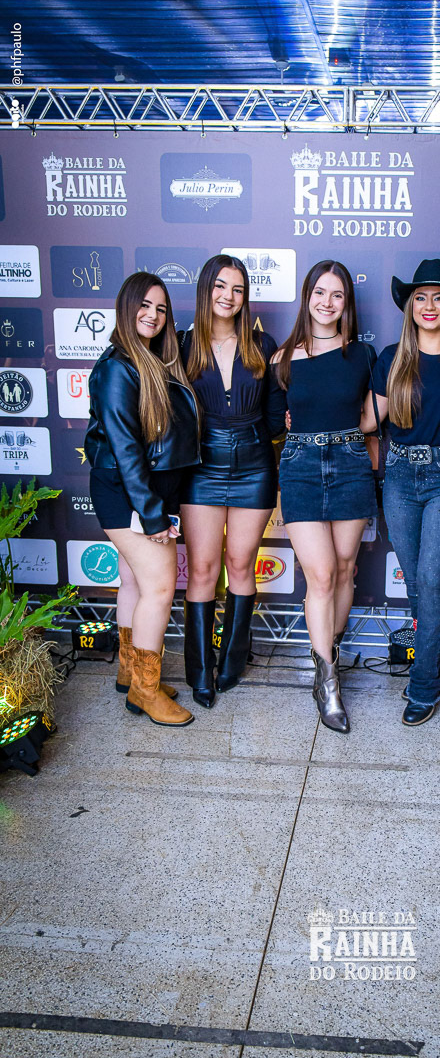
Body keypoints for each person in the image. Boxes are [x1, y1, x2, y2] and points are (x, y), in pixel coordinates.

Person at [362, 259, 440, 726]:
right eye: (421, 298)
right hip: (399, 477)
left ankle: (424, 682)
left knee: (431, 579)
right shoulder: (392, 357)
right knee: (416, 583)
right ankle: (438, 663)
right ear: (410, 306)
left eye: (439, 297)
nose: (429, 306)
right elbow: (369, 421)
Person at [85, 273, 200, 727]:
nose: (153, 315)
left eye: (161, 309)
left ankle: (130, 673)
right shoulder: (118, 367)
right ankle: (146, 691)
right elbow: (125, 449)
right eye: (144, 306)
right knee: (158, 588)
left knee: (133, 582)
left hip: (145, 493)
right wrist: (152, 517)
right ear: (126, 307)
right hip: (129, 494)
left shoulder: (151, 360)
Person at [272, 260, 377, 734]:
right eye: (319, 292)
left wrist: (344, 430)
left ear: (346, 302)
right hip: (300, 468)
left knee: (345, 568)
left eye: (337, 294)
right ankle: (329, 683)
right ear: (307, 296)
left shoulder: (362, 356)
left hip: (351, 462)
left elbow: (371, 416)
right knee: (320, 573)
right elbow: (275, 420)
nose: (327, 302)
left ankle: (326, 657)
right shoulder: (282, 359)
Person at [179, 255, 286, 708]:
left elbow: (275, 417)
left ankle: (233, 660)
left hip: (255, 466)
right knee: (203, 569)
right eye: (220, 286)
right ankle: (199, 669)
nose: (229, 296)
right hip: (200, 468)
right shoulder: (180, 345)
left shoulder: (263, 344)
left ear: (246, 297)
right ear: (205, 290)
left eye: (238, 289)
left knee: (241, 565)